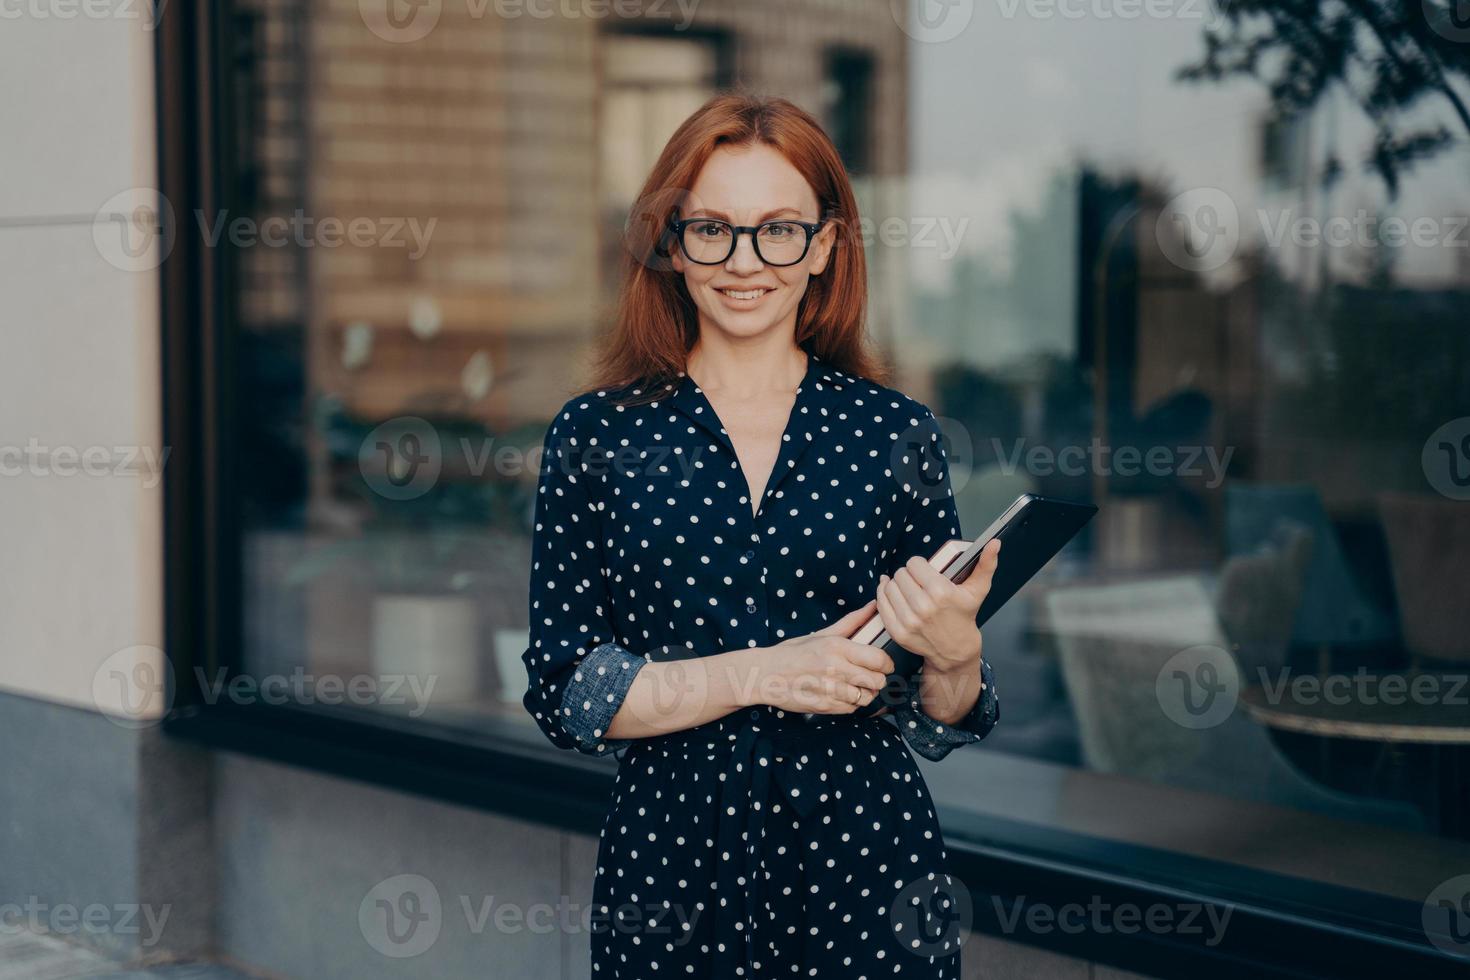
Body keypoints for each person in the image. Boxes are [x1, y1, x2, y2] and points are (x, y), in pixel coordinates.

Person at [522, 92, 1000, 978]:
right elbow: (568, 693)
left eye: (779, 230)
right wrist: (766, 672)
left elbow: (941, 715)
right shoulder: (597, 436)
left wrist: (957, 655)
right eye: (713, 229)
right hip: (668, 867)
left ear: (824, 245)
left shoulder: (895, 436)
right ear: (672, 242)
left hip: (866, 865)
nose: (745, 262)